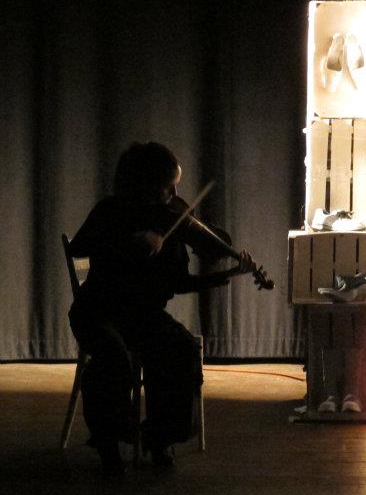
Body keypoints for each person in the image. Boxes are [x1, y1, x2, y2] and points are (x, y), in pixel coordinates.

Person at [68, 142, 254, 475]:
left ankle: (159, 438)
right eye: (169, 186)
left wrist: (228, 274)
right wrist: (131, 241)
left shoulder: (170, 227)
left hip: (143, 315)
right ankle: (109, 442)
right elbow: (78, 248)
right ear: (146, 184)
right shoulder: (110, 211)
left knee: (181, 350)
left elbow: (179, 283)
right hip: (98, 311)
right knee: (113, 358)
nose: (176, 195)